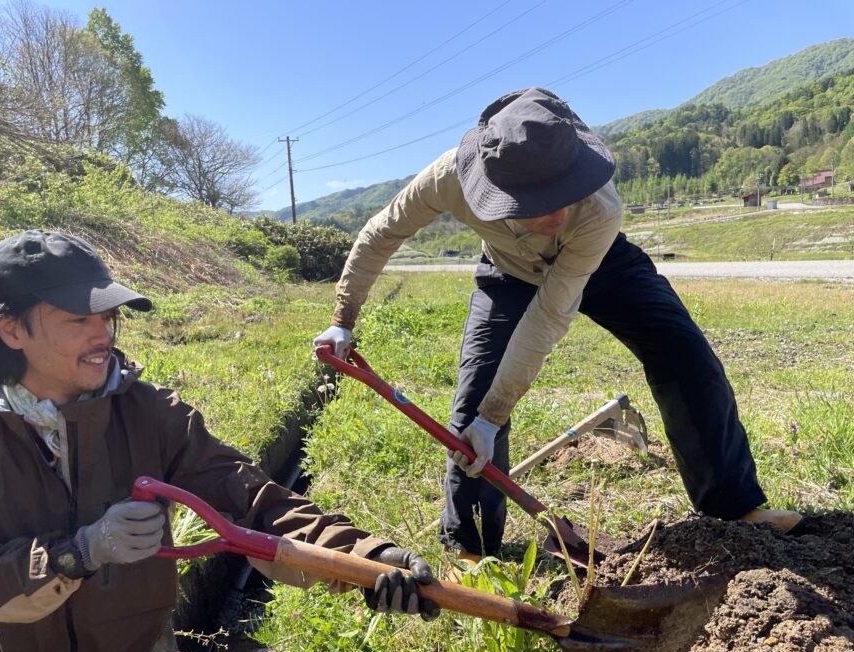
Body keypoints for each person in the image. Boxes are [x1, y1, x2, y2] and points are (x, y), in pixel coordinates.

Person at [0, 230, 439, 652]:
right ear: (11, 329)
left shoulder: (151, 413)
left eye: (108, 317)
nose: (102, 334)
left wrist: (365, 560)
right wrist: (81, 552)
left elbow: (250, 498)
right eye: (78, 319)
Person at [314, 86, 801, 561]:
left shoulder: (599, 208)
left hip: (604, 265)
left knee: (686, 357)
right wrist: (343, 319)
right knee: (473, 402)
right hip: (506, 273)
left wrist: (497, 413)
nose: (557, 211)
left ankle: (733, 509)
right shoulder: (448, 179)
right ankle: (471, 546)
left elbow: (550, 313)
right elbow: (381, 233)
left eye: (565, 191)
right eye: (537, 201)